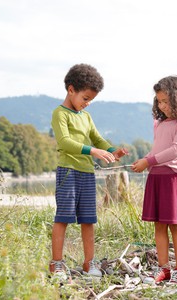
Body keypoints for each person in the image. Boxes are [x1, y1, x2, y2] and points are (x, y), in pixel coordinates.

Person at [50, 63, 127, 280]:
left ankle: (89, 263)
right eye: (85, 98)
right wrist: (93, 151)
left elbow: (97, 138)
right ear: (71, 90)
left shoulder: (86, 117)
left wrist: (112, 150)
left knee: (88, 219)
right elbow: (65, 142)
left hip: (87, 174)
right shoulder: (60, 113)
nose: (87, 103)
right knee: (62, 218)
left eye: (91, 100)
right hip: (68, 171)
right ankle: (56, 264)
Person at [131, 75, 177, 284]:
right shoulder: (159, 122)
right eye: (159, 101)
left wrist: (148, 160)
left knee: (175, 225)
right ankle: (164, 269)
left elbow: (176, 150)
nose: (162, 105)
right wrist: (144, 162)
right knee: (159, 226)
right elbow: (158, 148)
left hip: (172, 178)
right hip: (156, 177)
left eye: (166, 101)